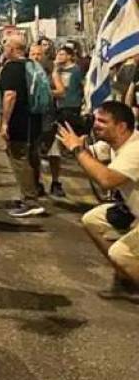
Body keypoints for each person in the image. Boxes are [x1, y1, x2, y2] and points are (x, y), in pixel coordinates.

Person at [57, 101, 139, 299]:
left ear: (121, 127)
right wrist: (75, 144)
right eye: (96, 119)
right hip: (131, 211)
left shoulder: (135, 149)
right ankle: (127, 278)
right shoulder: (114, 144)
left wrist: (78, 150)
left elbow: (106, 180)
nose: (96, 124)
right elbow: (90, 156)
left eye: (103, 121)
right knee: (92, 220)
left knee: (120, 253)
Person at [0, 38, 46, 218]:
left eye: (5, 46)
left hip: (18, 118)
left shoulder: (12, 68)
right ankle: (33, 192)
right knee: (32, 156)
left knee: (18, 157)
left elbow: (10, 95)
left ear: (12, 49)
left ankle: (30, 201)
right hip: (35, 118)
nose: (4, 49)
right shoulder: (32, 65)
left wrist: (5, 122)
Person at [47, 44, 84, 198]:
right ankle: (55, 181)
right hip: (55, 110)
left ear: (69, 56)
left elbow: (82, 86)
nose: (59, 57)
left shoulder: (76, 70)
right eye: (58, 54)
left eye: (62, 54)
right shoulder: (55, 70)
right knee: (54, 146)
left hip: (70, 108)